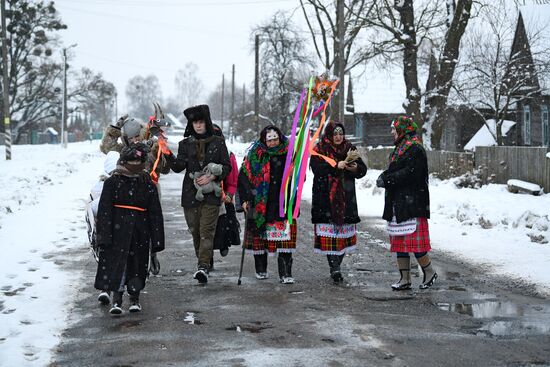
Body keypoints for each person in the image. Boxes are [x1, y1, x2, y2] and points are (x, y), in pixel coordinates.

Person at [161, 104, 231, 284]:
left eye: (201, 122)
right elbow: (178, 167)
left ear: (206, 123)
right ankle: (204, 261)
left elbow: (227, 167)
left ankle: (203, 267)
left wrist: (213, 175)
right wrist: (167, 153)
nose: (198, 126)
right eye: (195, 123)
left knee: (207, 231)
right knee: (196, 232)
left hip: (211, 195)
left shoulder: (218, 142)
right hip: (190, 194)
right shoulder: (185, 144)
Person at [94, 143, 165, 315]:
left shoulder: (147, 183)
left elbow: (155, 213)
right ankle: (116, 300)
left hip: (140, 233)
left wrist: (157, 240)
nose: (134, 165)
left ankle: (135, 297)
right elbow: (104, 211)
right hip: (116, 233)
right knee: (117, 267)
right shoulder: (112, 183)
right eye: (131, 161)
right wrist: (103, 235)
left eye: (137, 161)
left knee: (138, 266)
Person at [376, 116, 437, 290]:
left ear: (403, 130)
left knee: (415, 244)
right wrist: (385, 176)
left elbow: (411, 173)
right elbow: (396, 170)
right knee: (400, 243)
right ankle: (405, 279)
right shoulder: (400, 149)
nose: (392, 132)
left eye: (394, 129)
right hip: (398, 203)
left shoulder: (415, 149)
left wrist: (389, 180)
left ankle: (430, 272)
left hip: (412, 203)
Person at [238, 125, 297, 284]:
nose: (272, 143)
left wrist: (294, 174)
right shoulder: (255, 154)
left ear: (280, 138)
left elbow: (300, 177)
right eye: (269, 140)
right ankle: (261, 269)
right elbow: (243, 177)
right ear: (264, 140)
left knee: (284, 238)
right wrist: (244, 199)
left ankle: (285, 273)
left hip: (282, 203)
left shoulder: (289, 154)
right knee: (260, 237)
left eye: (275, 139)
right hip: (260, 203)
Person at [310, 122, 367, 283]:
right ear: (329, 134)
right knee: (330, 236)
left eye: (340, 133)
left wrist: (354, 168)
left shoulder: (349, 148)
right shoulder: (320, 149)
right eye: (335, 133)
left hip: (345, 199)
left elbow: (362, 170)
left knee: (342, 236)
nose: (338, 137)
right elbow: (317, 169)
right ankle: (334, 267)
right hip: (325, 198)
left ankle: (337, 264)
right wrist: (335, 166)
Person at [85, 151, 120, 305]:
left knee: (115, 261)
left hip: (118, 228)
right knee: (106, 260)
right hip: (105, 230)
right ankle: (106, 289)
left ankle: (112, 290)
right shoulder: (99, 186)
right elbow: (91, 210)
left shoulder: (124, 182)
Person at [211, 124, 240, 268]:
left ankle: (224, 243)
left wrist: (228, 194)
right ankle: (206, 260)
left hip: (224, 198)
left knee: (223, 228)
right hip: (206, 198)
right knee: (206, 231)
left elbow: (233, 179)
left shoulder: (228, 155)